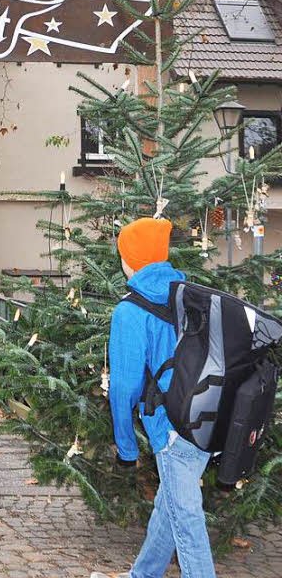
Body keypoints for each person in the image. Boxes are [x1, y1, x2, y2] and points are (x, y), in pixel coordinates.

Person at [92, 217, 216, 578]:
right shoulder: (190, 294)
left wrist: (126, 446)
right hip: (207, 416)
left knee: (186, 521)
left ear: (130, 260)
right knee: (170, 506)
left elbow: (124, 388)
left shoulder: (129, 311)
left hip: (172, 427)